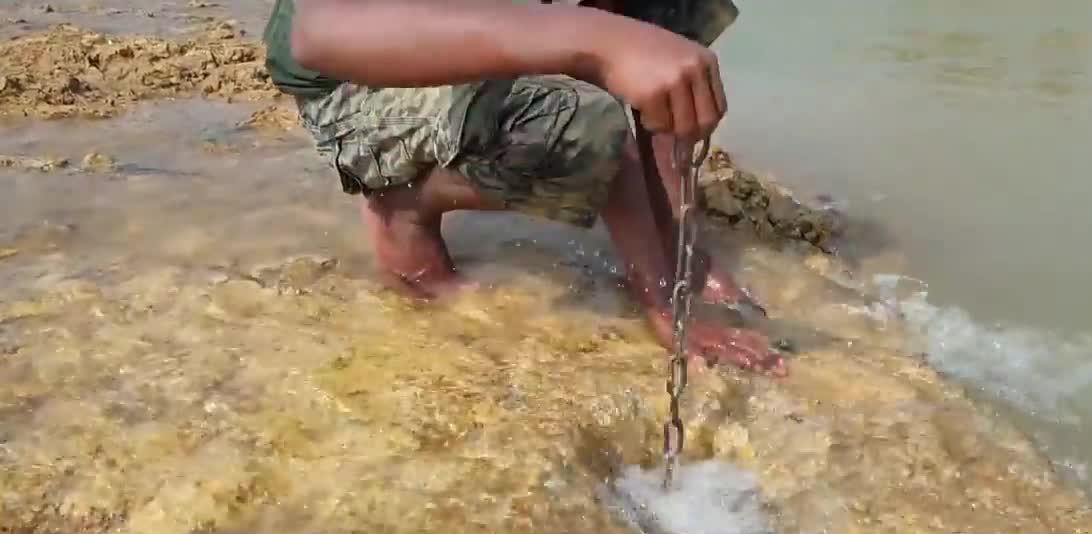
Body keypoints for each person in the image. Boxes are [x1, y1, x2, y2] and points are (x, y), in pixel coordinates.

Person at [263, 0, 785, 376]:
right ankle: (404, 203)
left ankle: (671, 256)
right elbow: (321, 28)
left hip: (501, 22)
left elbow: (663, 84)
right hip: (361, 70)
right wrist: (663, 310)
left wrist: (680, 255)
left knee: (664, 24)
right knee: (582, 124)